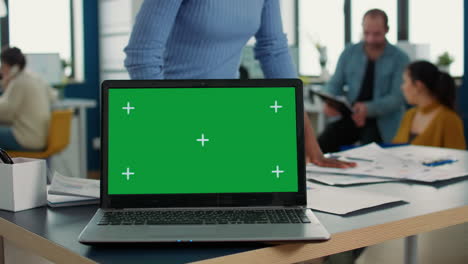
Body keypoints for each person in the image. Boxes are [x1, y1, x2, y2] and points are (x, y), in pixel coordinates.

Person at [124, 0, 354, 168]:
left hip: (223, 119)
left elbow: (274, 50)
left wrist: (310, 143)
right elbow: (142, 55)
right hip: (169, 119)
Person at [318, 9, 409, 153]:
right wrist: (329, 101)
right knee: (322, 143)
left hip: (383, 122)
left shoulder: (400, 59)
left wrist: (368, 108)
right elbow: (335, 84)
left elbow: (397, 98)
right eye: (367, 33)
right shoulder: (349, 53)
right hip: (353, 117)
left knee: (369, 153)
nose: (371, 39)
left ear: (386, 30)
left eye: (376, 34)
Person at [393, 61, 466, 149]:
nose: (402, 87)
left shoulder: (449, 119)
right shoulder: (409, 115)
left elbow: (458, 157)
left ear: (418, 86)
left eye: (405, 81)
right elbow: (395, 148)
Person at [0, 47, 58, 150]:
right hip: (40, 136)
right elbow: (54, 96)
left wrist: (6, 86)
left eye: (3, 66)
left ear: (11, 67)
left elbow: (5, 114)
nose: (1, 70)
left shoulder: (18, 82)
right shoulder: (35, 78)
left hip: (27, 139)